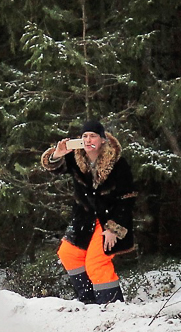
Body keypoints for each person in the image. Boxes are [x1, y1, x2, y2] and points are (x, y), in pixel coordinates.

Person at [41, 120, 136, 304]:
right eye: (84, 136)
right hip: (84, 220)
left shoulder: (118, 163)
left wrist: (113, 229)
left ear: (102, 140)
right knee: (68, 254)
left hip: (110, 220)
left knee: (96, 263)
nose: (88, 140)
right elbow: (53, 167)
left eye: (93, 136)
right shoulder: (76, 157)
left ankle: (112, 306)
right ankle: (89, 303)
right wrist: (57, 154)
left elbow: (128, 198)